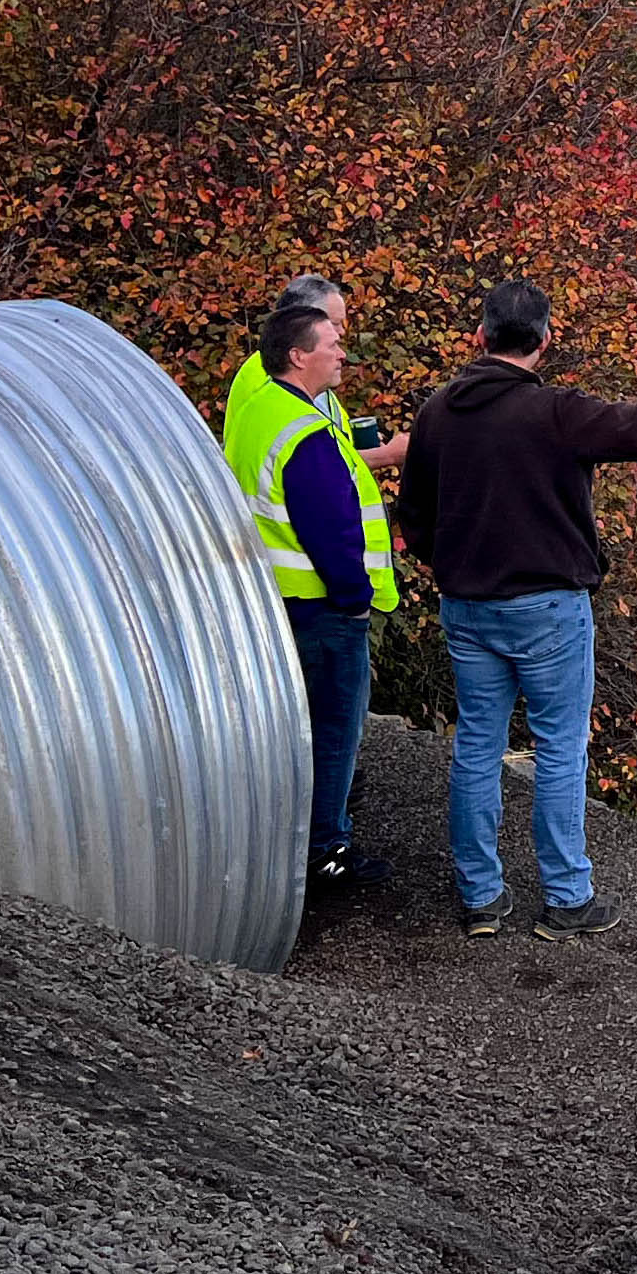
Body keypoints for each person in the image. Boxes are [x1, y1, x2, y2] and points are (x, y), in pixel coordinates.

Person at [398, 280, 637, 939]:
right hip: (548, 608)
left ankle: (480, 898)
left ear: (480, 336)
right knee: (558, 752)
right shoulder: (555, 412)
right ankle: (566, 899)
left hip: (469, 608)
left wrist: (450, 568)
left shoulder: (437, 414)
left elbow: (411, 516)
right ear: (546, 340)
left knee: (476, 749)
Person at [223, 294, 400, 893]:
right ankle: (326, 850)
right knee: (333, 730)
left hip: (277, 600)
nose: (343, 352)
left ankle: (290, 841)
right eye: (333, 344)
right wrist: (355, 596)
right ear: (300, 357)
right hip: (324, 608)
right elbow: (330, 528)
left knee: (292, 728)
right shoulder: (304, 431)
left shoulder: (259, 409)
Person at [222, 272, 407, 481]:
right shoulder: (270, 376)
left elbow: (329, 450)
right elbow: (311, 463)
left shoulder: (312, 379)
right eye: (333, 323)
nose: (341, 332)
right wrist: (386, 455)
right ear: (303, 320)